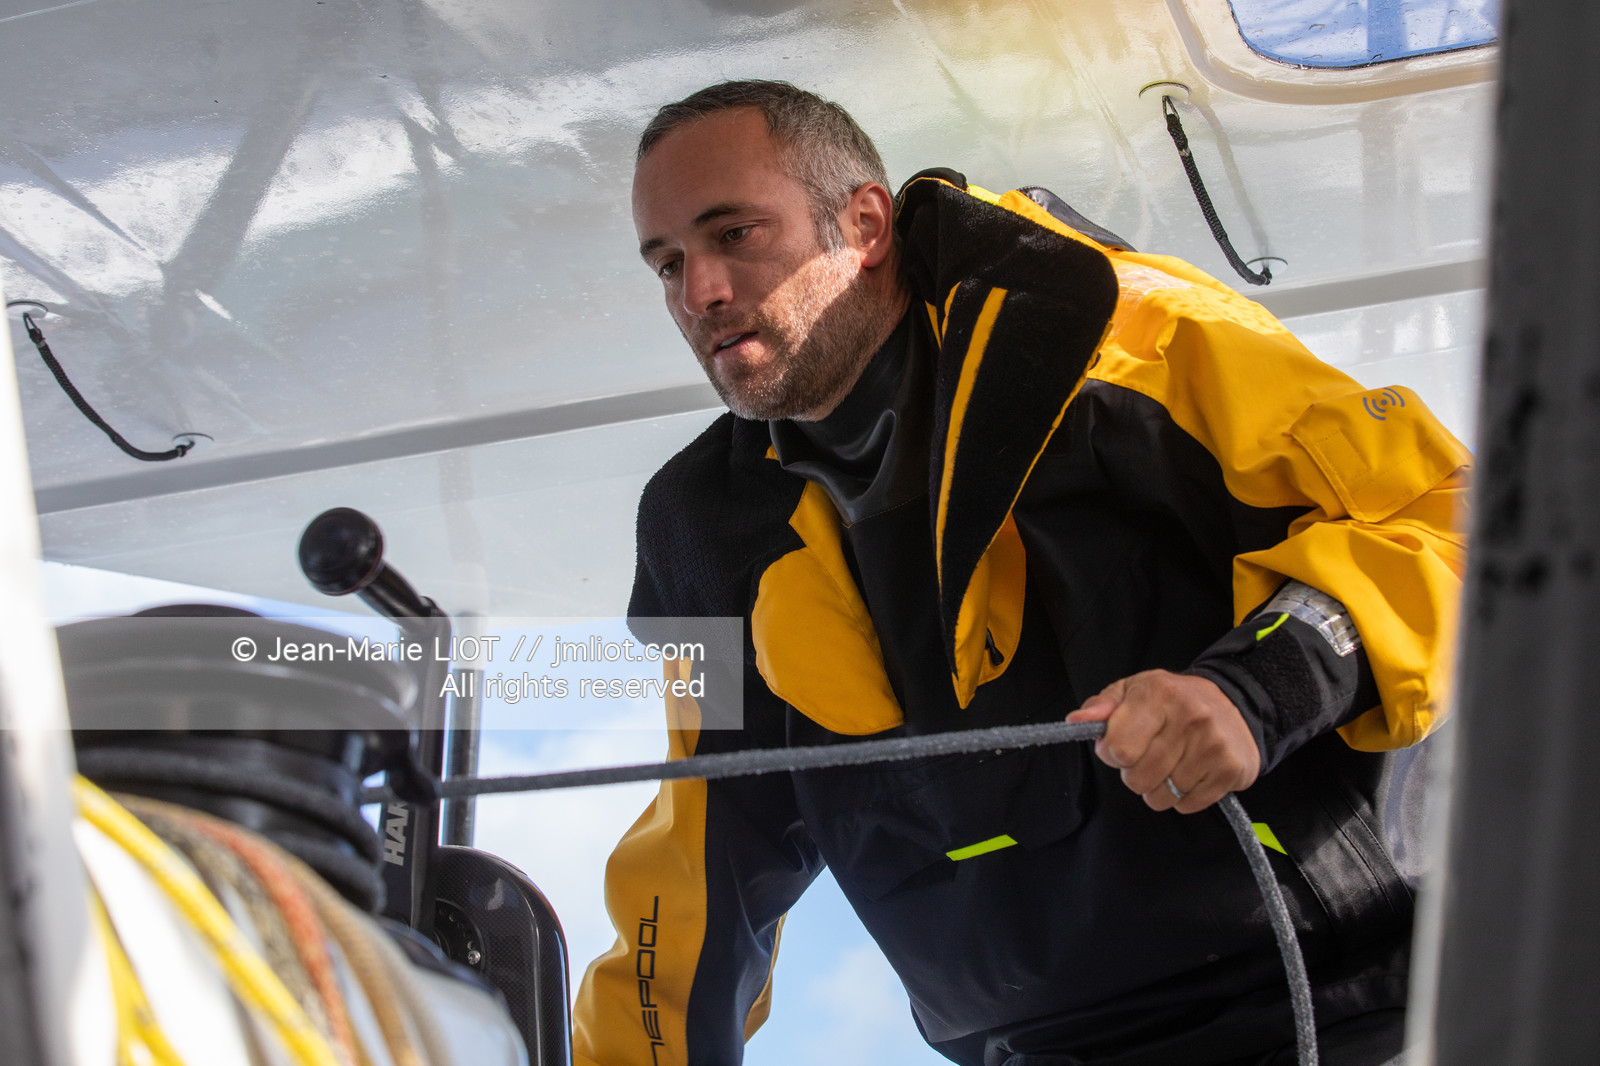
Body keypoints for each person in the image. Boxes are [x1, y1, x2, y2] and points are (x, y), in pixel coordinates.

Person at [573, 80, 1469, 1066]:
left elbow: (1447, 520)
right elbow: (700, 851)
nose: (698, 291)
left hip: (1372, 1000)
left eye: (734, 234)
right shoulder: (703, 534)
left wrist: (1256, 688)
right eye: (667, 262)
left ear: (863, 223)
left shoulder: (1119, 339)